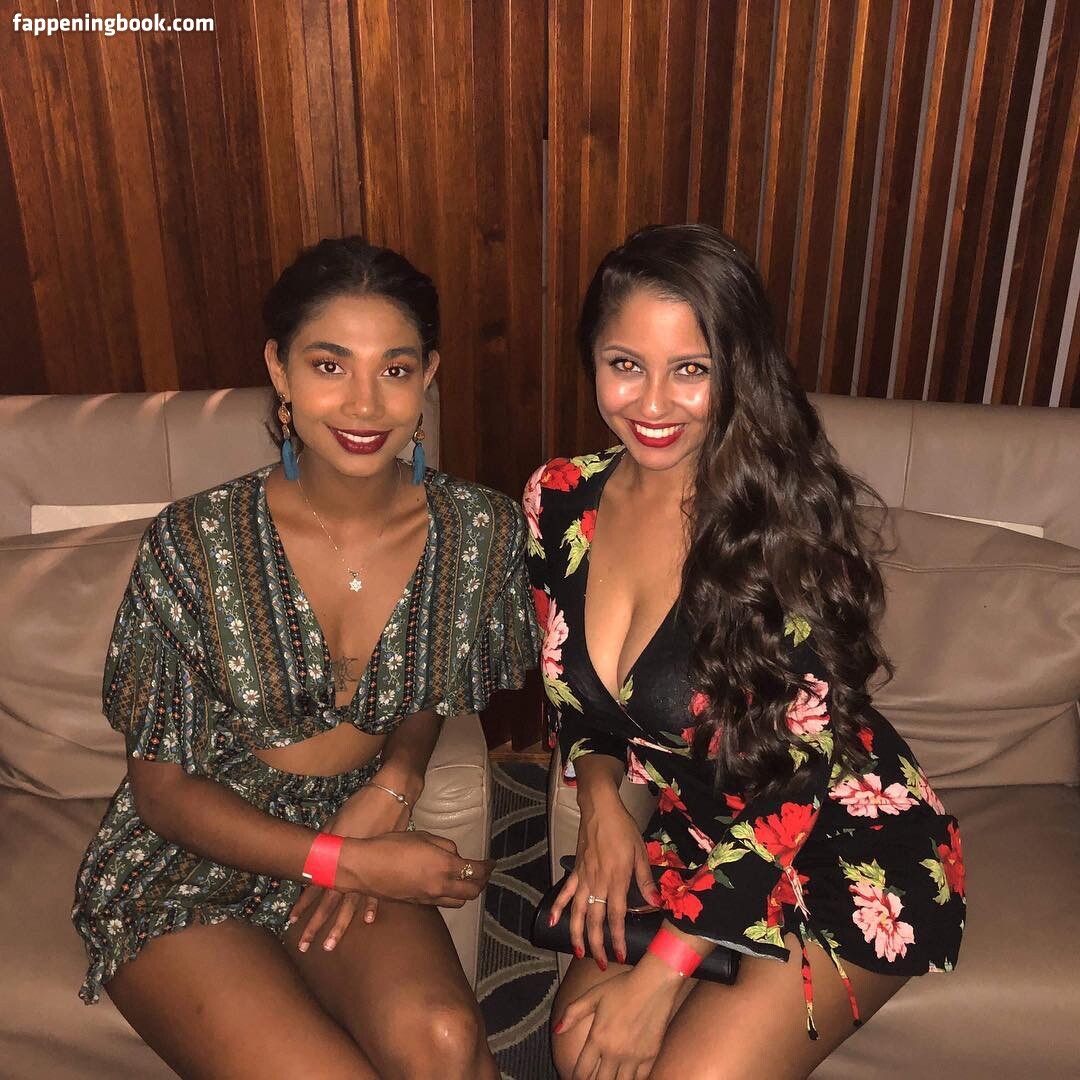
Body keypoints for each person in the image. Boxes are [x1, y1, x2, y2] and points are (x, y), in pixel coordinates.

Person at [72, 237, 539, 1079]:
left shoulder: (482, 531)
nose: (365, 403)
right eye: (330, 365)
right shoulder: (193, 542)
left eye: (395, 369)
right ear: (279, 372)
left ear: (428, 378)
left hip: (347, 813)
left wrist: (396, 782)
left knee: (444, 1041)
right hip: (188, 856)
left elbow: (435, 684)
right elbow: (162, 793)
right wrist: (344, 861)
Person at [525, 224, 965, 1079]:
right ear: (593, 359)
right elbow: (576, 701)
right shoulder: (559, 497)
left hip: (838, 838)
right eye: (626, 364)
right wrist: (605, 804)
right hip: (696, 831)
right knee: (579, 1048)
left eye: (691, 370)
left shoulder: (784, 529)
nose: (654, 403)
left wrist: (661, 976)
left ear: (737, 370)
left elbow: (797, 782)